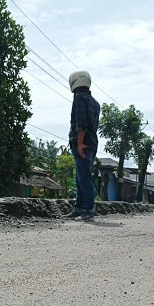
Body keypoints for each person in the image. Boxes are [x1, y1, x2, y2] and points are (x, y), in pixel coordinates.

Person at [64, 70, 100, 221]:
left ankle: (88, 208)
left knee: (84, 177)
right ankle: (79, 208)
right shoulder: (95, 102)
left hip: (82, 142)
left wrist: (79, 143)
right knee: (81, 176)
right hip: (92, 142)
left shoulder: (79, 98)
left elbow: (80, 123)